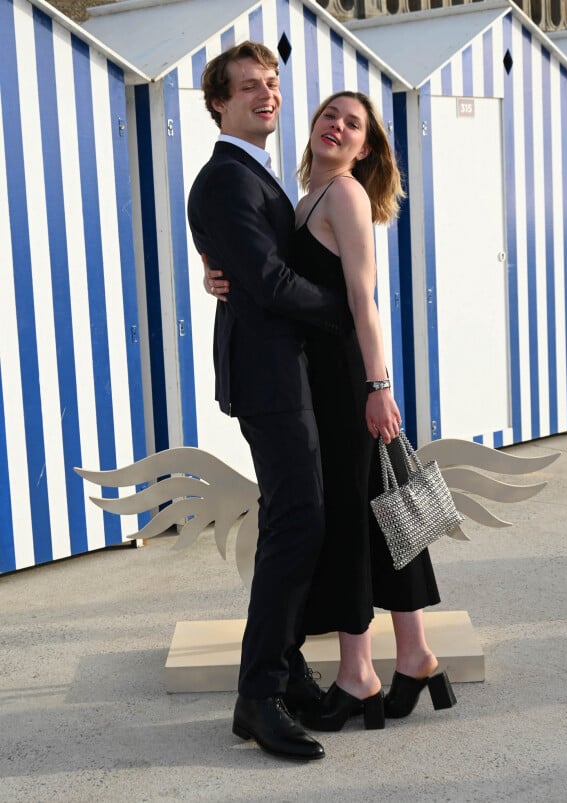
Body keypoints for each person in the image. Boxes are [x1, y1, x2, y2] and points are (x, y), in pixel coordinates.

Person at [205, 89, 457, 732]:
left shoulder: (343, 194)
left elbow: (363, 299)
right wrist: (217, 270)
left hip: (346, 378)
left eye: (353, 125)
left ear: (365, 147)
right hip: (321, 375)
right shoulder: (303, 199)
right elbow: (266, 267)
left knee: (356, 513)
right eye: (329, 116)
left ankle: (362, 672)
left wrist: (379, 385)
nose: (337, 127)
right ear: (312, 125)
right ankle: (415, 657)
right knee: (380, 512)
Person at [187, 42, 356, 761]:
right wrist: (352, 303)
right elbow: (271, 283)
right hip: (269, 379)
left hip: (285, 370)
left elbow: (260, 266)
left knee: (300, 519)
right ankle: (259, 694)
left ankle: (283, 669)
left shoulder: (255, 176)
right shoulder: (226, 180)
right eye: (249, 87)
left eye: (273, 84)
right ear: (218, 103)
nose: (267, 95)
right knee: (297, 521)